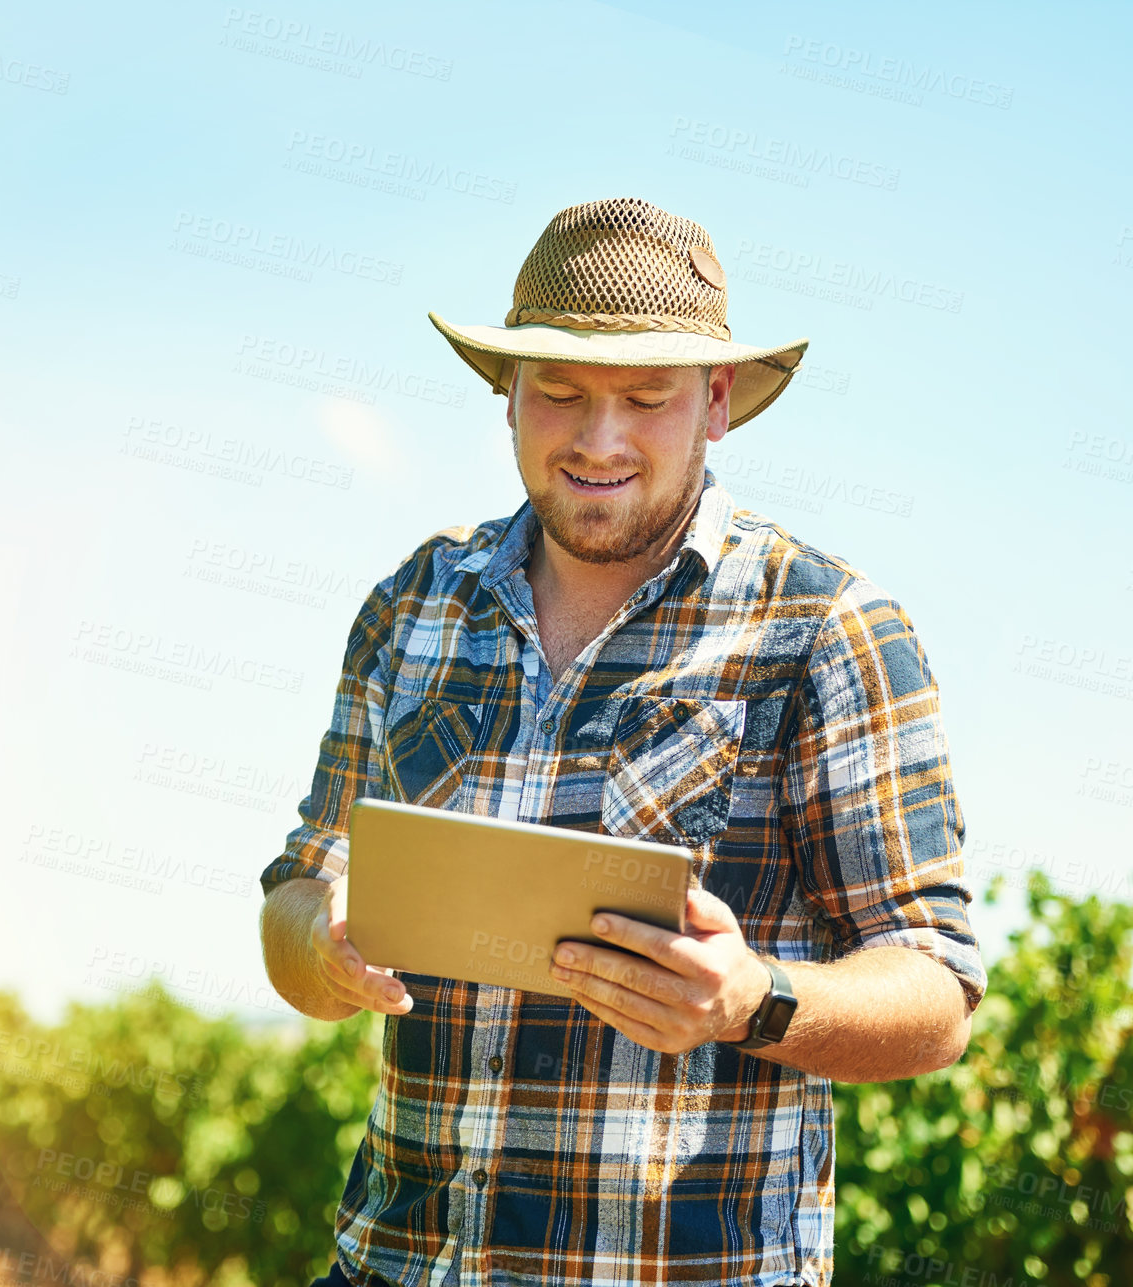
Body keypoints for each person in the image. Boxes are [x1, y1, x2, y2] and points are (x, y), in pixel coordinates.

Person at [259, 196, 986, 1287]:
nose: (599, 440)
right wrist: (322, 945)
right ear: (507, 397)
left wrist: (751, 1000)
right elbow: (292, 905)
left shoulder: (824, 627)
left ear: (717, 403)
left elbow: (934, 997)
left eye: (646, 399)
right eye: (559, 394)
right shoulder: (412, 608)